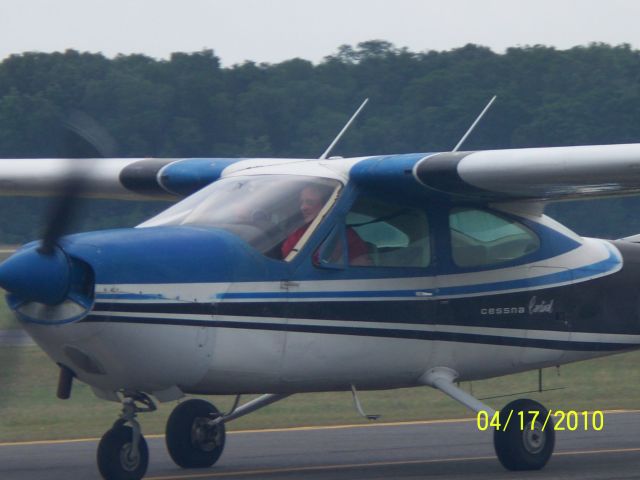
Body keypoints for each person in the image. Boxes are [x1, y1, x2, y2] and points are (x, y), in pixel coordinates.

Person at [281, 184, 371, 265]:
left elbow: (361, 264)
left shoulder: (346, 235)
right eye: (302, 202)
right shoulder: (298, 234)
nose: (303, 207)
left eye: (310, 202)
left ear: (326, 205)